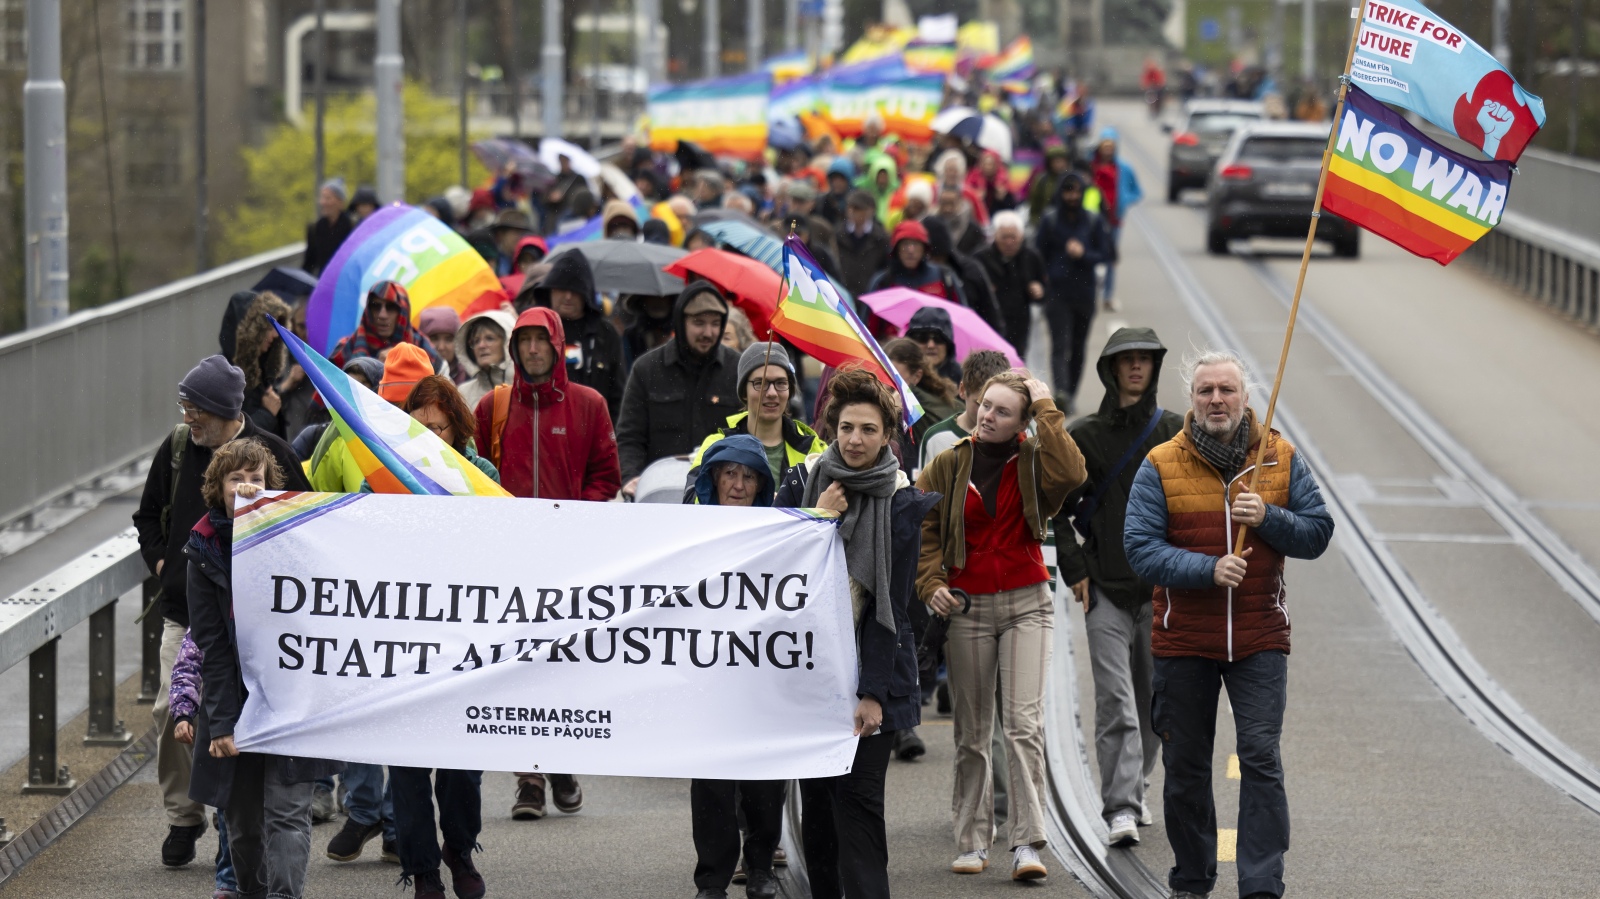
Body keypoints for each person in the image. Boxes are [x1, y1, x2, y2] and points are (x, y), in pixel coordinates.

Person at [1123, 350, 1333, 899]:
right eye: (1205, 391)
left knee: (1261, 757)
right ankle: (1192, 879)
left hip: (1260, 637)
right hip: (1184, 640)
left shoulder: (1280, 458)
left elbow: (1317, 533)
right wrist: (1208, 570)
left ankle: (1262, 884)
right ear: (1191, 400)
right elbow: (1140, 551)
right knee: (1186, 765)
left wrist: (1270, 517)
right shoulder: (1160, 463)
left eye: (1227, 390)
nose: (1216, 400)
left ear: (1246, 397)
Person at [132, 356, 311, 869]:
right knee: (174, 710)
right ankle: (183, 816)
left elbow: (306, 521)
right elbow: (147, 515)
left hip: (259, 621)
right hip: (186, 608)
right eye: (184, 407)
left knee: (237, 721)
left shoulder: (271, 453)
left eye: (195, 410)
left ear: (222, 410)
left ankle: (234, 828)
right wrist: (163, 562)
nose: (188, 418)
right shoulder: (177, 448)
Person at [774, 369, 942, 899]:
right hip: (812, 675)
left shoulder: (903, 500)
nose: (855, 439)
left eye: (869, 429)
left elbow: (894, 607)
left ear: (887, 434)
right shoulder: (803, 484)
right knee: (819, 809)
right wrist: (817, 520)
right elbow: (779, 579)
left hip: (876, 677)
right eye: (847, 427)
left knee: (861, 807)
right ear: (831, 428)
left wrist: (872, 693)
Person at [916, 371, 1085, 881]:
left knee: (1022, 725)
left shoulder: (1036, 460)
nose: (989, 415)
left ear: (1022, 423)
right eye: (986, 405)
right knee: (971, 731)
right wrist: (930, 584)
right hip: (967, 607)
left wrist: (1047, 407)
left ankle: (1028, 843)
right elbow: (923, 527)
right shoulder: (948, 463)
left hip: (1027, 603)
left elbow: (1073, 474)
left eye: (1003, 411)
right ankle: (971, 839)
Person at [184, 438, 344, 899]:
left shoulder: (300, 539)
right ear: (219, 488)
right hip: (235, 700)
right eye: (237, 479)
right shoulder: (203, 550)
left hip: (293, 695)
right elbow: (211, 647)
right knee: (243, 822)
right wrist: (223, 722)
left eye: (257, 479)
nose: (249, 487)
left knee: (288, 813)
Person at [472, 307, 616, 819]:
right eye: (524, 340)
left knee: (561, 665)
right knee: (516, 668)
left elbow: (606, 475)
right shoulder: (493, 405)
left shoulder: (589, 404)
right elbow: (475, 473)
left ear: (557, 345)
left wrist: (575, 519)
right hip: (508, 559)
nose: (533, 349)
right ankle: (529, 779)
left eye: (541, 340)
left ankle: (559, 761)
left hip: (568, 559)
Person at [1054, 328, 1184, 847]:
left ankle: (1138, 782)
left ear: (1154, 367)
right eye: (1126, 360)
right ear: (1110, 368)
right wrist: (1076, 568)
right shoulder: (1084, 437)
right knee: (1115, 700)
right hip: (1104, 588)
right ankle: (1121, 808)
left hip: (1162, 591)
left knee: (1157, 701)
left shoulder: (1175, 432)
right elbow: (1057, 512)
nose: (1136, 368)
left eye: (1144, 360)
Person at [687, 434, 785, 899]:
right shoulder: (687, 533)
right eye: (730, 474)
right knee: (710, 785)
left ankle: (762, 866)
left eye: (749, 476)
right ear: (714, 478)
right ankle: (712, 879)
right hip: (706, 677)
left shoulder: (783, 534)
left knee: (765, 780)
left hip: (762, 676)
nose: (739, 485)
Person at [616, 281, 740, 498]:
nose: (708, 332)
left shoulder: (737, 369)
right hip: (658, 493)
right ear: (681, 322)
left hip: (721, 497)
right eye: (699, 323)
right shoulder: (646, 369)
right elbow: (630, 436)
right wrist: (630, 477)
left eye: (715, 323)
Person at [685, 341, 826, 499]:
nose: (772, 392)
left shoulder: (814, 450)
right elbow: (691, 500)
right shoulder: (716, 446)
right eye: (760, 383)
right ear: (744, 392)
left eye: (780, 383)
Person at [169, 632, 240, 899]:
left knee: (270, 809)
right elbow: (189, 663)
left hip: (267, 718)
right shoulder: (213, 608)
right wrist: (183, 711)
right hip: (226, 717)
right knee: (228, 802)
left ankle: (268, 880)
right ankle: (228, 881)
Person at [308, 345, 436, 492]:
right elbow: (317, 498)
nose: (405, 416)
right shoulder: (345, 429)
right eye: (394, 405)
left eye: (415, 407)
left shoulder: (450, 430)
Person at [1033, 173, 1110, 412]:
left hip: (1085, 293)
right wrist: (1040, 281)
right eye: (1068, 191)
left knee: (1078, 346)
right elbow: (1037, 255)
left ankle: (1071, 391)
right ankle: (1062, 392)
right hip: (1058, 293)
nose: (1073, 196)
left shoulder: (1093, 221)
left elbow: (1106, 254)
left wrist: (1084, 253)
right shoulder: (1051, 220)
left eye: (1077, 192)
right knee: (1059, 344)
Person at [525, 249, 627, 425]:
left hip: (593, 432)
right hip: (541, 431)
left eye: (575, 290)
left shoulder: (606, 334)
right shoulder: (531, 329)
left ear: (586, 293)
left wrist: (609, 438)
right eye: (562, 288)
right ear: (549, 290)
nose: (568, 296)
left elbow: (618, 395)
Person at [916, 350, 1010, 473]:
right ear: (962, 390)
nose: (988, 416)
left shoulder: (1018, 430)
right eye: (981, 404)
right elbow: (925, 491)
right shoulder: (936, 438)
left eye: (1000, 409)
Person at [327, 281, 444, 374]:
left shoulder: (426, 351)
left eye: (391, 307)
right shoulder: (345, 349)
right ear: (368, 311)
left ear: (403, 312)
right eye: (376, 306)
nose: (382, 315)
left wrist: (403, 358)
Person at [976, 211, 1047, 361]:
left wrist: (1039, 291)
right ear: (995, 237)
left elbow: (1044, 289)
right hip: (989, 323)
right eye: (1004, 237)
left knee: (1015, 366)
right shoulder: (981, 259)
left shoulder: (1031, 257)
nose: (1009, 242)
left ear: (1021, 237)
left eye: (1013, 237)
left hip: (1019, 324)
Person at [921, 218, 1003, 337]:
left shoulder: (970, 271)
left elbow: (990, 314)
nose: (935, 266)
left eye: (938, 259)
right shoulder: (912, 276)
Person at [1090, 129, 1141, 312]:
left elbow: (1137, 191)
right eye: (1105, 145)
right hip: (1092, 220)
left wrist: (1125, 199)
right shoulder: (1091, 165)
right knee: (1091, 257)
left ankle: (1108, 296)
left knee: (1110, 258)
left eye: (1111, 146)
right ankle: (1091, 294)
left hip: (1114, 220)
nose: (1108, 149)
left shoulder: (1124, 168)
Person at [234, 292, 292, 439]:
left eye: (277, 327)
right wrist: (266, 414)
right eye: (269, 327)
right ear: (254, 330)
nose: (275, 335)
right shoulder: (228, 373)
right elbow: (231, 439)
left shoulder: (264, 368)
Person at [866, 221, 965, 306]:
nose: (911, 250)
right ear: (896, 249)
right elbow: (867, 326)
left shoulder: (945, 278)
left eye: (916, 244)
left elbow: (961, 317)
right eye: (905, 244)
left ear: (924, 249)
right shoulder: (882, 283)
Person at [453, 309, 517, 410]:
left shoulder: (523, 385)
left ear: (507, 342)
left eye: (490, 338)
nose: (481, 346)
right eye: (476, 341)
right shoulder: (463, 393)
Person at [836, 191, 891, 300]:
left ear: (870, 211)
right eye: (849, 207)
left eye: (857, 208)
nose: (851, 211)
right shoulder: (837, 234)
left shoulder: (881, 238)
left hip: (871, 296)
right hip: (842, 295)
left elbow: (884, 269)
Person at [303, 178, 354, 276]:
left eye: (328, 198)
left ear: (340, 202)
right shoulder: (315, 229)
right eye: (322, 198)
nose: (322, 202)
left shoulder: (353, 227)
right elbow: (309, 264)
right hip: (324, 284)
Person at [902, 305, 963, 384]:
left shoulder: (963, 379)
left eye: (938, 339)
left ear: (948, 345)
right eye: (922, 338)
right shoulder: (898, 375)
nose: (931, 345)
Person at [930, 188, 985, 257]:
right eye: (944, 203)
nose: (947, 208)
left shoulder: (972, 228)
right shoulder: (933, 226)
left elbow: (980, 252)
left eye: (951, 203)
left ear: (959, 204)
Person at [420, 307, 465, 385]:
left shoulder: (470, 377)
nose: (441, 347)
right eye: (434, 339)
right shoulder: (413, 379)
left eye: (449, 339)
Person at [964, 150, 1017, 217]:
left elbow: (1011, 207)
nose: (988, 167)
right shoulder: (973, 180)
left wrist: (1002, 198)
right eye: (985, 164)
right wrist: (976, 197)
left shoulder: (1003, 182)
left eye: (991, 164)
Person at [1026, 146, 1071, 222]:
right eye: (1055, 161)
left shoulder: (1071, 178)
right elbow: (1035, 206)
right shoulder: (1042, 180)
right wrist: (1039, 223)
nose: (1058, 164)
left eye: (1061, 161)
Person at [818, 158, 856, 225]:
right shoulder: (824, 200)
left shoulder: (856, 200)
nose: (837, 183)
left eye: (841, 179)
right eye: (834, 179)